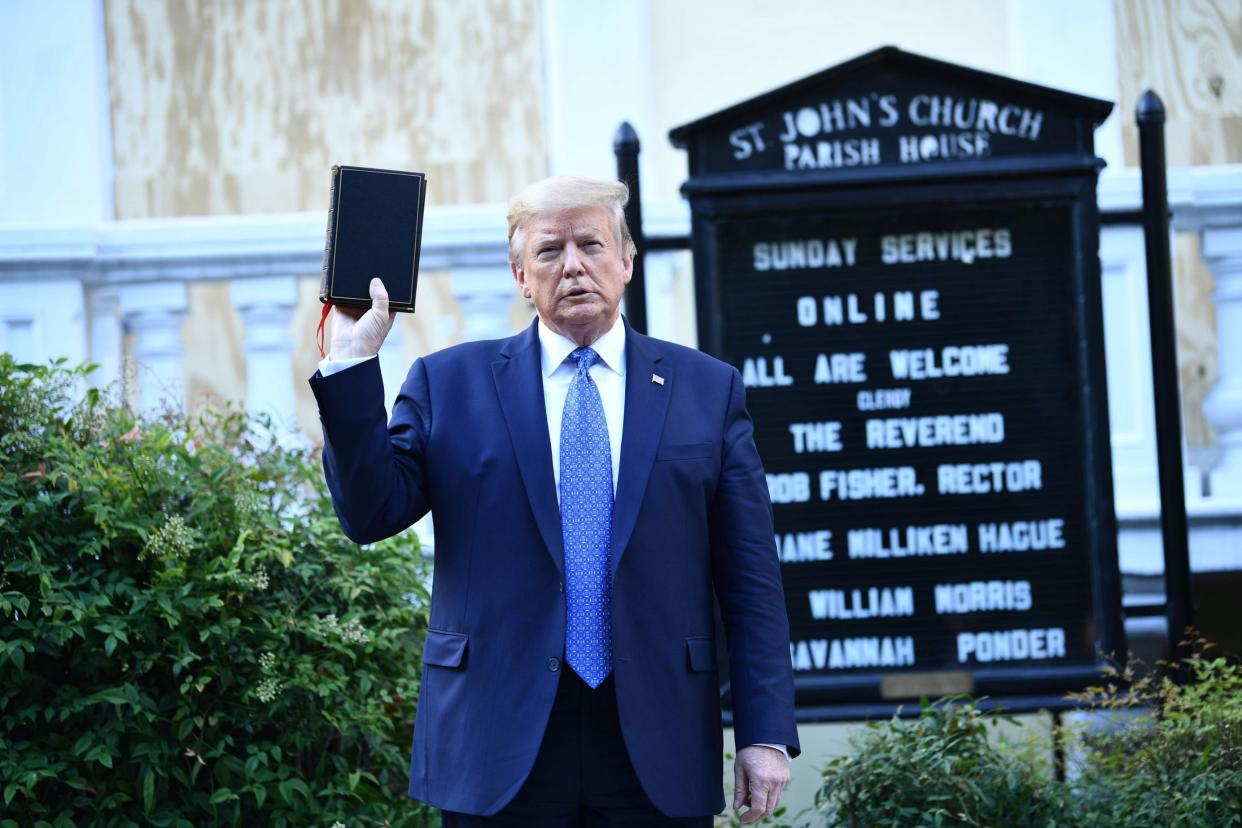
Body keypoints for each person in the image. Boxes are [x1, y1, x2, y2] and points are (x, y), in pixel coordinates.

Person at [309, 176, 799, 826]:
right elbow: (370, 514)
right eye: (549, 251)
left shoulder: (707, 391)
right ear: (520, 274)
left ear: (626, 260)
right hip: (496, 741)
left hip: (657, 738)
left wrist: (764, 732)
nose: (572, 265)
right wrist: (351, 362)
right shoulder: (449, 385)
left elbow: (751, 581)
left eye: (591, 244)